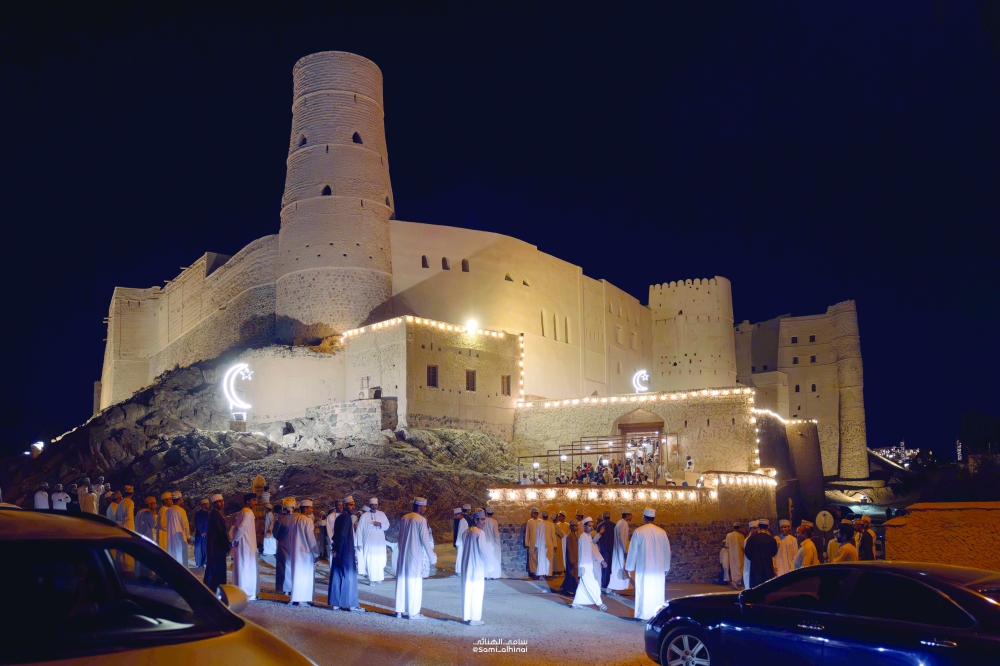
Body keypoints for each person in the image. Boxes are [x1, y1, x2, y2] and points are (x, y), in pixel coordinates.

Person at [625, 508, 672, 620]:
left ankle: (643, 615)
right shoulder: (662, 532)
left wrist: (629, 567)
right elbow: (667, 551)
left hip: (644, 567)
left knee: (644, 590)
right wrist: (666, 567)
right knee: (657, 590)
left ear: (644, 517)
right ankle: (657, 615)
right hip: (658, 568)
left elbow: (633, 551)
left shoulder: (639, 531)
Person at [395, 497, 437, 619]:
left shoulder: (404, 518)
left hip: (403, 555)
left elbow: (400, 538)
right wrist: (432, 557)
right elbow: (425, 540)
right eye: (424, 507)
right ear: (419, 507)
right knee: (414, 583)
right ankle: (413, 613)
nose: (424, 509)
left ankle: (399, 610)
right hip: (414, 555)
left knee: (402, 581)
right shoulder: (421, 520)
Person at [460, 509, 497, 626]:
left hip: (466, 566)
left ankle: (467, 616)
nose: (483, 522)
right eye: (481, 519)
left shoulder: (465, 533)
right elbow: (483, 551)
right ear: (475, 520)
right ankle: (475, 618)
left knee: (467, 591)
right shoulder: (480, 533)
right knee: (476, 592)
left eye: (484, 519)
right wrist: (490, 566)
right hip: (476, 566)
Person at [329, 495, 364, 612]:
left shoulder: (340, 517)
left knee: (338, 575)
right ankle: (352, 604)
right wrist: (338, 549)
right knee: (349, 576)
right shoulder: (346, 518)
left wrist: (335, 549)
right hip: (345, 550)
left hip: (339, 549)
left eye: (353, 504)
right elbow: (343, 535)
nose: (353, 507)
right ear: (344, 506)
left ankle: (336, 603)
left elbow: (336, 535)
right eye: (350, 505)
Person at [570, 517, 607, 611]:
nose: (591, 528)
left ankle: (575, 603)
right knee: (594, 584)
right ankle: (599, 603)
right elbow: (581, 552)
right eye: (589, 526)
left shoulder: (588, 536)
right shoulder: (583, 537)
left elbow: (592, 550)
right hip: (585, 566)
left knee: (582, 586)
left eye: (592, 526)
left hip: (588, 565)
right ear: (584, 526)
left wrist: (601, 561)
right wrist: (581, 567)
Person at [288, 499, 319, 605]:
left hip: (295, 552)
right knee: (305, 575)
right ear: (305, 508)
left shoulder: (294, 520)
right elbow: (311, 539)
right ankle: (303, 599)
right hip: (305, 553)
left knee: (296, 574)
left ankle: (296, 597)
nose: (312, 509)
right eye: (311, 507)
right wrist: (316, 553)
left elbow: (290, 537)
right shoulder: (307, 521)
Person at [231, 493, 260, 601]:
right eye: (253, 500)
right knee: (247, 568)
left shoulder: (241, 512)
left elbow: (235, 527)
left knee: (242, 566)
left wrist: (235, 540)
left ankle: (241, 591)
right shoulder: (248, 512)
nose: (255, 502)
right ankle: (248, 593)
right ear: (247, 501)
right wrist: (235, 539)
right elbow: (242, 528)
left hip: (242, 544)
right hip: (247, 544)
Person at [357, 497, 389, 585]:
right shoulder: (364, 516)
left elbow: (387, 526)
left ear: (377, 505)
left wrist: (380, 524)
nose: (374, 507)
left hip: (380, 542)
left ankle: (379, 578)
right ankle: (371, 579)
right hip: (369, 542)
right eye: (372, 505)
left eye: (375, 505)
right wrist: (359, 543)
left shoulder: (382, 514)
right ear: (370, 505)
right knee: (370, 560)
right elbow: (359, 530)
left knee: (380, 559)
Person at [204, 494, 229, 592]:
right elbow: (220, 531)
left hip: (215, 545)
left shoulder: (215, 513)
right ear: (214, 504)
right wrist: (226, 544)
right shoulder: (215, 514)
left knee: (213, 567)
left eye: (222, 501)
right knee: (216, 568)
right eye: (219, 501)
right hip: (217, 546)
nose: (222, 503)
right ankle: (215, 588)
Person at [743, 518, 778, 588]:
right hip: (768, 568)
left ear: (758, 527)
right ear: (768, 527)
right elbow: (774, 553)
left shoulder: (751, 539)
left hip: (755, 569)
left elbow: (747, 553)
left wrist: (754, 558)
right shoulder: (772, 539)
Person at [608, 511, 632, 593]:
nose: (632, 516)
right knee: (621, 566)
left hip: (617, 548)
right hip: (620, 549)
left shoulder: (619, 522)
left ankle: (615, 585)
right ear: (627, 515)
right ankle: (618, 585)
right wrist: (626, 549)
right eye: (630, 515)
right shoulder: (624, 523)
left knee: (617, 566)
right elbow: (623, 537)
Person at [165, 492, 191, 565]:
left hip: (171, 538)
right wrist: (187, 537)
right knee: (181, 557)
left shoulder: (168, 510)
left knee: (173, 556)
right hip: (180, 537)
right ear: (180, 499)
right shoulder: (181, 510)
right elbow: (185, 525)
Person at [559, 520, 580, 595]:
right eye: (575, 525)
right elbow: (569, 549)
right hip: (571, 559)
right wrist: (572, 560)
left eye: (577, 525)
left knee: (572, 575)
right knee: (571, 575)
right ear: (571, 527)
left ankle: (565, 588)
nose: (576, 527)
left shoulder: (575, 535)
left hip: (576, 558)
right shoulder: (569, 536)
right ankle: (569, 589)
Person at [723, 523, 745, 589]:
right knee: (740, 566)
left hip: (731, 553)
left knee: (733, 567)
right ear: (739, 528)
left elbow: (727, 545)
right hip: (739, 553)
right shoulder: (741, 535)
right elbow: (742, 546)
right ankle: (738, 581)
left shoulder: (728, 535)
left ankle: (734, 581)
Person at [535, 511, 556, 579]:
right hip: (549, 544)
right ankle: (548, 575)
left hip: (541, 545)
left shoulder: (539, 524)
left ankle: (541, 575)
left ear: (542, 516)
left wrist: (536, 546)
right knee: (548, 559)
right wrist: (555, 545)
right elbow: (553, 536)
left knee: (541, 559)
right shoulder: (551, 524)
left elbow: (537, 536)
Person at [597, 512, 615, 591]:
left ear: (603, 517)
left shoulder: (600, 525)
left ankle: (604, 583)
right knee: (610, 566)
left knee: (604, 566)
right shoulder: (614, 525)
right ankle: (609, 582)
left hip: (603, 548)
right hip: (612, 548)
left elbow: (598, 537)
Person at [483, 507, 502, 580]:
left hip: (484, 542)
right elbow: (496, 534)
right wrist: (498, 544)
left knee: (486, 559)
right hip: (492, 543)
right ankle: (493, 575)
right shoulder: (494, 522)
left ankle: (486, 575)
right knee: (493, 559)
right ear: (493, 513)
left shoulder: (484, 520)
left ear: (487, 513)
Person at [193, 499, 210, 568]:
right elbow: (198, 523)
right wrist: (201, 531)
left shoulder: (209, 513)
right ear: (203, 505)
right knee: (199, 551)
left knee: (206, 550)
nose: (208, 505)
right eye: (207, 504)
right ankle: (199, 565)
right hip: (200, 535)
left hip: (207, 535)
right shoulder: (198, 514)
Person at [524, 508, 540, 577]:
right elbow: (527, 533)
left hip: (539, 543)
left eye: (532, 513)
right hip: (532, 542)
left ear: (536, 514)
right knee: (532, 558)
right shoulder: (529, 522)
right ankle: (533, 572)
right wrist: (527, 543)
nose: (531, 514)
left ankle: (539, 572)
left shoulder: (541, 521)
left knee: (538, 557)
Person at [742, 520, 758, 589]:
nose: (755, 530)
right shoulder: (747, 540)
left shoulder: (759, 538)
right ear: (750, 529)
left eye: (756, 528)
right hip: (749, 561)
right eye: (754, 528)